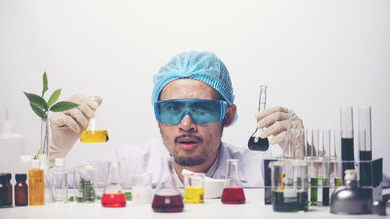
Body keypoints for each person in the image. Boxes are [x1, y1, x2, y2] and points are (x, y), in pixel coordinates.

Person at [49, 51, 304, 187]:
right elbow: (51, 186)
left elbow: (328, 189)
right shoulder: (130, 165)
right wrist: (52, 153)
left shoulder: (258, 169)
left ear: (228, 116)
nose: (185, 124)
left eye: (202, 109)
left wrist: (306, 156)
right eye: (172, 110)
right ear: (157, 116)